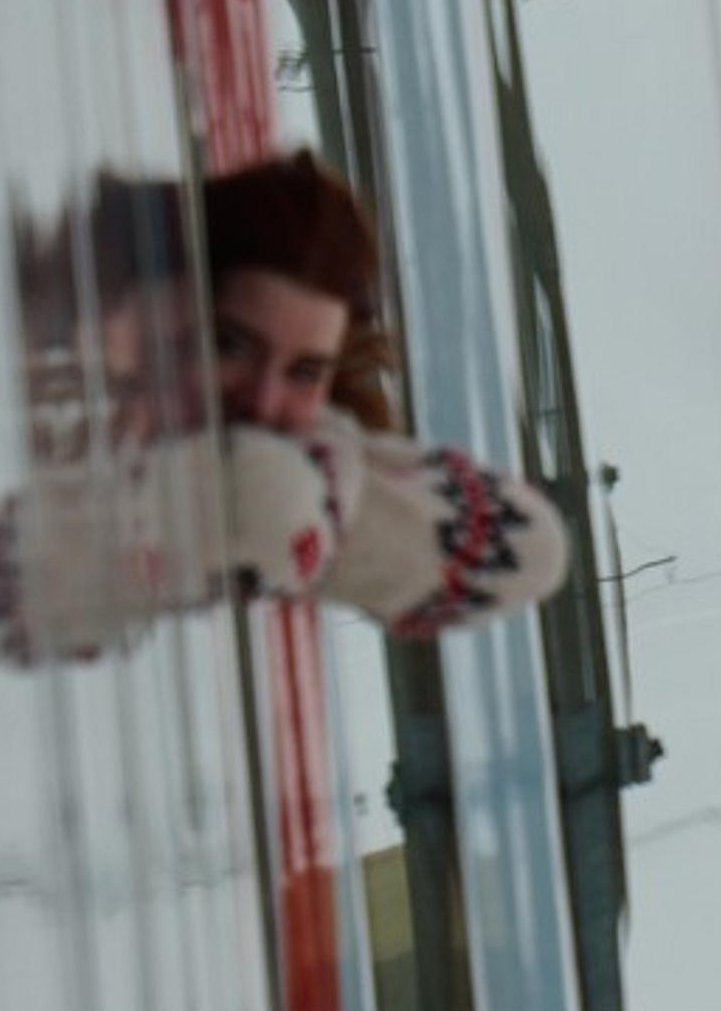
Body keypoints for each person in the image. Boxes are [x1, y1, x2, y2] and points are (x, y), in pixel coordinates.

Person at [201, 151, 568, 643]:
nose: (265, 402)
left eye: (305, 372)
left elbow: (534, 550)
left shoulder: (316, 467)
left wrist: (327, 507)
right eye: (232, 344)